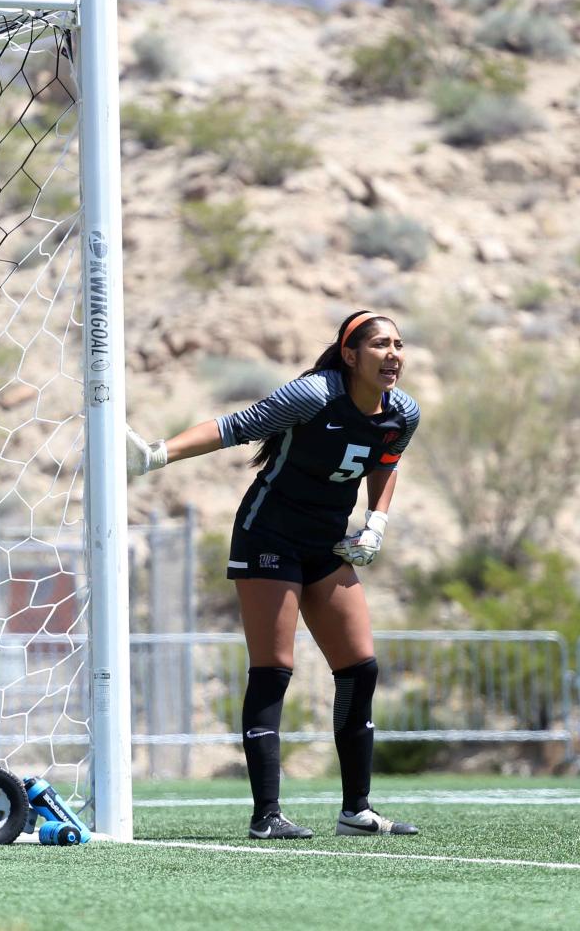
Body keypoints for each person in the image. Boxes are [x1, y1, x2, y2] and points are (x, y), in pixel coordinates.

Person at [127, 309, 421, 839]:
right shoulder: (314, 394)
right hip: (270, 537)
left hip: (327, 545)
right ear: (350, 355)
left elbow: (387, 462)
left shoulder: (404, 412)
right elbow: (234, 427)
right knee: (274, 670)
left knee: (360, 668)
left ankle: (356, 810)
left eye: (399, 344)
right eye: (380, 345)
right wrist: (157, 454)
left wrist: (375, 523)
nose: (393, 354)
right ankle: (266, 815)